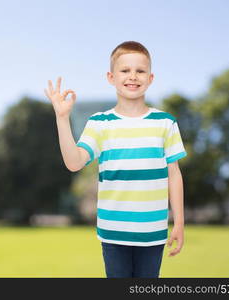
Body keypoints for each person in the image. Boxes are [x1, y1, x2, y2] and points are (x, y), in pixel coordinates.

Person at [44, 41, 187, 278]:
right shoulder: (99, 123)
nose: (133, 76)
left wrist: (180, 222)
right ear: (111, 77)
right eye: (125, 70)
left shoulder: (165, 122)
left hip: (153, 232)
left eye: (140, 71)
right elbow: (74, 162)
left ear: (150, 78)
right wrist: (62, 118)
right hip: (113, 232)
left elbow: (174, 174)